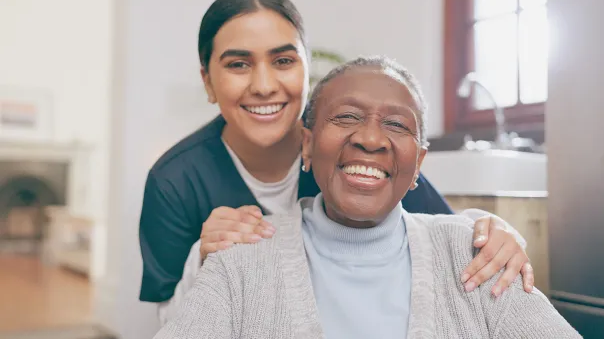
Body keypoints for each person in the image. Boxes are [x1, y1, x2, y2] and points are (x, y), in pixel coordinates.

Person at [139, 0, 535, 324]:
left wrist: (494, 230)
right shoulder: (175, 180)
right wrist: (202, 261)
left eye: (283, 61)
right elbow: (170, 322)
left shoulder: (353, 155)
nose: (263, 85)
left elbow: (444, 234)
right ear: (208, 81)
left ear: (306, 69)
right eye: (238, 64)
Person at [154, 56, 580, 339]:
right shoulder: (243, 260)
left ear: (419, 164)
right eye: (347, 117)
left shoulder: (477, 258)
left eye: (396, 125)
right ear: (306, 144)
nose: (372, 139)